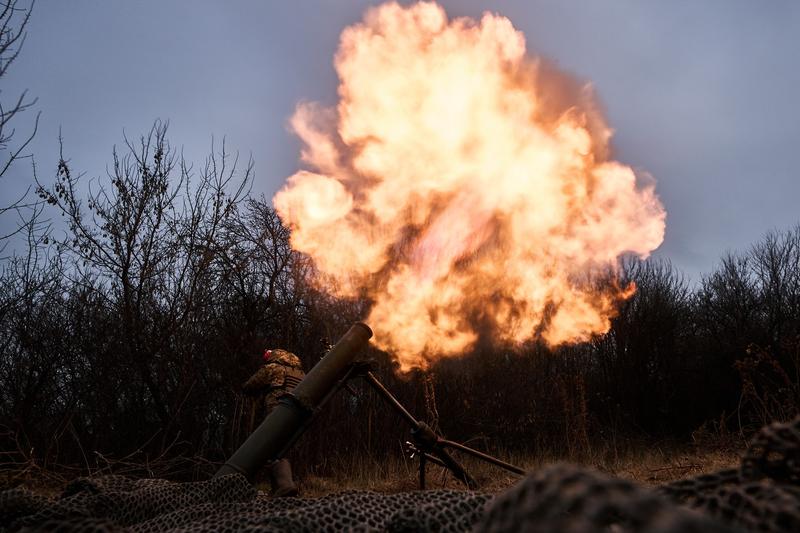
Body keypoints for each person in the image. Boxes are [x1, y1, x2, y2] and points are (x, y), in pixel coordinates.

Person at [242, 348, 305, 497]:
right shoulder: (301, 373)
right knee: (284, 449)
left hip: (276, 413)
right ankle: (282, 488)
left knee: (271, 450)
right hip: (297, 417)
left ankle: (284, 486)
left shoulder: (273, 367)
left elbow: (250, 385)